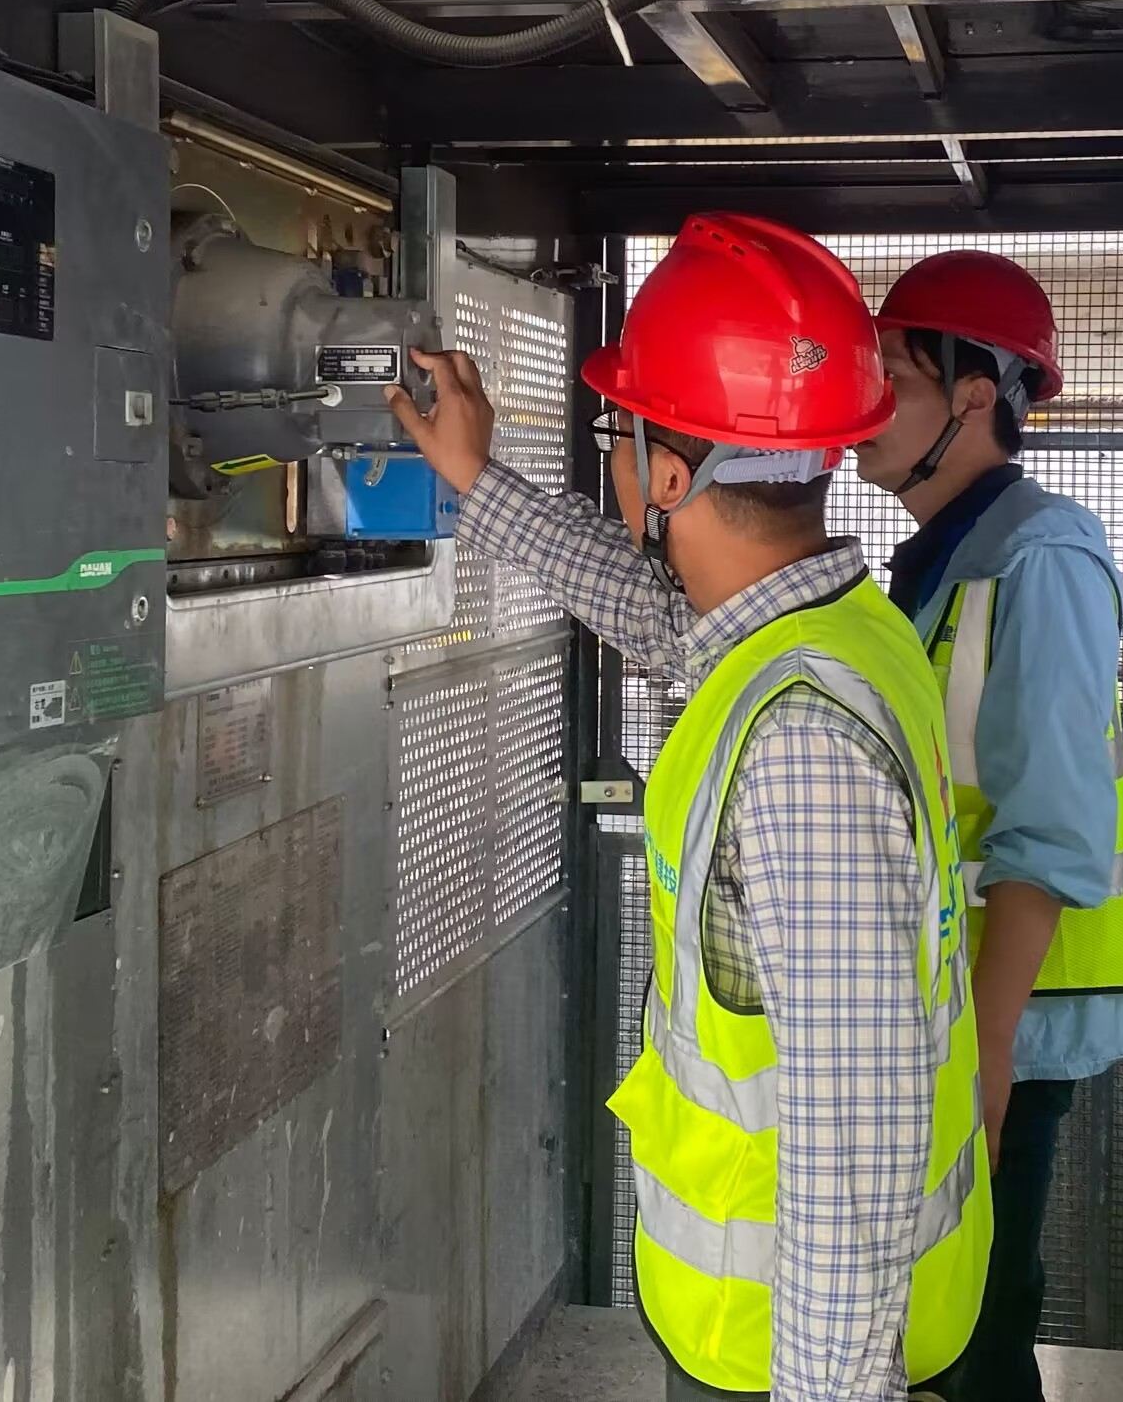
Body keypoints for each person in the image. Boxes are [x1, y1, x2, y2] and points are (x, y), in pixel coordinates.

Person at [387, 213, 991, 1402]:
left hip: (784, 1357)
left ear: (672, 475)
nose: (616, 459)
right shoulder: (831, 631)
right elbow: (657, 614)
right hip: (774, 1334)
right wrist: (476, 478)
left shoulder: (801, 743)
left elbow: (853, 1136)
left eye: (623, 432)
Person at [852, 251, 1123, 1402]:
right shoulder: (943, 556)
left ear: (974, 394)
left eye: (892, 375)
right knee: (943, 1311)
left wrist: (983, 1051)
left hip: (1010, 1012)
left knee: (977, 1315)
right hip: (958, 1001)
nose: (863, 403)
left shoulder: (1042, 551)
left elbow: (1051, 822)